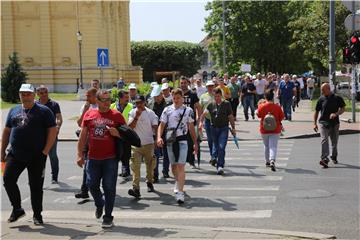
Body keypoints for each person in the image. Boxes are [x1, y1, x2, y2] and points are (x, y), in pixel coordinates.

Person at [2, 84, 57, 225]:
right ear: (19, 95)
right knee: (8, 180)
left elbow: (52, 131)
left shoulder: (44, 111)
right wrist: (1, 151)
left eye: (28, 94)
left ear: (34, 95)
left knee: (36, 186)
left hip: (37, 156)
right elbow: (7, 131)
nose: (25, 96)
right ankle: (17, 209)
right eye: (22, 94)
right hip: (15, 154)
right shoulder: (14, 110)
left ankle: (37, 215)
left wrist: (45, 151)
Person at [77, 89, 126, 228]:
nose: (107, 103)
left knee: (109, 187)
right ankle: (99, 203)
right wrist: (79, 154)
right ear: (97, 101)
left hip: (110, 158)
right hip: (92, 158)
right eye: (103, 100)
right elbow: (83, 136)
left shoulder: (117, 116)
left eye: (109, 100)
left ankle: (108, 216)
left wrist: (117, 133)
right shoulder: (89, 114)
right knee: (91, 184)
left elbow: (129, 136)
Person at [157, 88, 198, 204]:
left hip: (183, 140)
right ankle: (177, 181)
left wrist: (195, 143)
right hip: (170, 140)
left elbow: (191, 127)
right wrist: (159, 137)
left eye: (178, 98)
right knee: (173, 166)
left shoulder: (188, 110)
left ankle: (180, 192)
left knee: (181, 166)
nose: (176, 100)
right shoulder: (167, 110)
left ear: (182, 98)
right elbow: (162, 125)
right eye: (174, 98)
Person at [198, 88, 235, 175]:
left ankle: (220, 166)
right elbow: (203, 114)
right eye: (215, 96)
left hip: (224, 128)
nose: (217, 98)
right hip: (213, 128)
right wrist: (200, 123)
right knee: (215, 144)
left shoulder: (226, 104)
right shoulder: (211, 104)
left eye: (218, 96)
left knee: (221, 147)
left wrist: (233, 128)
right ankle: (214, 157)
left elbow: (230, 116)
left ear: (221, 96)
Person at [127, 95, 158, 198]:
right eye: (136, 103)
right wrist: (136, 116)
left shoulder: (150, 113)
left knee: (150, 166)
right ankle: (136, 188)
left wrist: (157, 139)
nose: (138, 105)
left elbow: (155, 126)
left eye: (140, 102)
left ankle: (149, 182)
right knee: (135, 167)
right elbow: (130, 127)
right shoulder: (132, 112)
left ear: (145, 102)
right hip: (136, 145)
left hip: (148, 144)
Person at [314, 83, 345, 168]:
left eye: (323, 90)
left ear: (328, 89)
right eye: (321, 90)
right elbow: (316, 111)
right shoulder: (321, 99)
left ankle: (334, 156)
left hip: (334, 124)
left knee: (334, 142)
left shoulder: (337, 98)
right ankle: (324, 159)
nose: (322, 92)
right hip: (323, 123)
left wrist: (336, 114)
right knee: (324, 140)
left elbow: (343, 108)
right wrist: (314, 123)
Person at [75, 87, 98, 199]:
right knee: (87, 166)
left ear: (95, 96)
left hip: (97, 141)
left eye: (89, 96)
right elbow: (80, 123)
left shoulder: (100, 107)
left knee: (95, 166)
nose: (86, 98)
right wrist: (85, 110)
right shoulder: (85, 107)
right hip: (86, 140)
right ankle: (84, 190)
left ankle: (94, 188)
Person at [36, 85, 63, 184]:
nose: (44, 95)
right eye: (41, 93)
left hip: (51, 134)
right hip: (38, 135)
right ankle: (39, 176)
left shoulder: (54, 104)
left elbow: (59, 118)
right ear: (37, 94)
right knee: (39, 157)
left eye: (46, 92)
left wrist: (58, 127)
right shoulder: (35, 104)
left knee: (52, 155)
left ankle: (54, 177)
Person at [257, 90, 285, 171]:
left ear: (265, 97)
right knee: (273, 146)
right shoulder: (277, 107)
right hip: (275, 129)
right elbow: (282, 117)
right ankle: (272, 160)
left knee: (266, 146)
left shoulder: (262, 106)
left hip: (264, 129)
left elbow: (259, 115)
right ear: (272, 97)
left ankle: (267, 161)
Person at [148, 85, 170, 181]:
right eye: (154, 96)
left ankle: (165, 170)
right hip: (154, 132)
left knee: (166, 153)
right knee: (155, 154)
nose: (156, 98)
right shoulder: (150, 104)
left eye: (157, 96)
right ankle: (155, 174)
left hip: (166, 131)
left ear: (161, 95)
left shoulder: (169, 105)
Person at [110, 90, 133, 179]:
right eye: (126, 97)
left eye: (128, 97)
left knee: (126, 152)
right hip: (114, 133)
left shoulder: (131, 106)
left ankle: (126, 170)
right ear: (120, 98)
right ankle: (113, 169)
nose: (128, 99)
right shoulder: (113, 106)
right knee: (115, 152)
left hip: (126, 133)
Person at [180, 77, 202, 168]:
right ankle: (182, 160)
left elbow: (198, 107)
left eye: (185, 83)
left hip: (190, 122)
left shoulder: (192, 94)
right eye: (181, 83)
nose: (183, 84)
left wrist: (198, 118)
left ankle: (192, 160)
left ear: (187, 84)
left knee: (191, 141)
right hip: (180, 123)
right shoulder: (178, 94)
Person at [199, 80, 216, 165]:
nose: (210, 88)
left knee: (215, 139)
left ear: (214, 87)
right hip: (207, 120)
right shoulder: (203, 96)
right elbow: (199, 108)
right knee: (210, 139)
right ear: (206, 87)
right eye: (209, 86)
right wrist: (200, 121)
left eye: (211, 86)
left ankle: (214, 156)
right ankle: (212, 156)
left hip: (217, 121)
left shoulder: (217, 95)